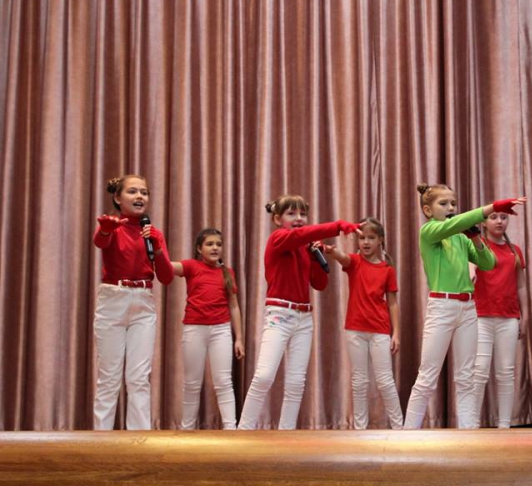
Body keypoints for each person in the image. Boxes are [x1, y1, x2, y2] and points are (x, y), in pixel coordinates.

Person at [403, 183, 526, 429]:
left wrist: (476, 238)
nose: (450, 208)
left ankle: (468, 433)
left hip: (468, 309)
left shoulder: (460, 236)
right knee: (427, 376)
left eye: (453, 203)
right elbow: (454, 224)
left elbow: (488, 262)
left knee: (466, 378)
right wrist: (491, 207)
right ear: (427, 210)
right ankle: (408, 433)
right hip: (442, 306)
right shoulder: (429, 231)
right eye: (443, 204)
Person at [237, 195, 361, 430]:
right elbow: (299, 235)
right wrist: (337, 226)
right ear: (277, 219)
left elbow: (320, 284)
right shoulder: (278, 238)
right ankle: (243, 430)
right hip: (279, 315)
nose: (299, 218)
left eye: (303, 214)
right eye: (291, 214)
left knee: (296, 382)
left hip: (304, 318)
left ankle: (286, 432)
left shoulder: (306, 247)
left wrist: (315, 257)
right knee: (264, 376)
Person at [93, 174, 174, 430]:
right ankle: (101, 440)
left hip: (143, 302)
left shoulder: (153, 233)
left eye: (144, 192)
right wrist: (105, 229)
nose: (140, 196)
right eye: (133, 191)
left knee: (139, 378)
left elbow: (166, 277)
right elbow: (100, 241)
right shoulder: (112, 226)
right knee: (109, 377)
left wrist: (157, 247)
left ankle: (139, 440)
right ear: (118, 198)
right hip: (113, 299)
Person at [324, 217, 404, 429]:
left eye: (371, 238)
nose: (366, 242)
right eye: (362, 238)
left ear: (380, 240)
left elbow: (393, 304)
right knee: (359, 381)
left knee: (385, 381)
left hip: (380, 331)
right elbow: (342, 258)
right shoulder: (355, 262)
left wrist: (396, 333)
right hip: (355, 330)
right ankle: (359, 429)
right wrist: (332, 251)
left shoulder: (387, 270)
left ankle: (400, 427)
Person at [172, 228, 244, 429]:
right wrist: (153, 249)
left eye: (218, 244)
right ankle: (187, 428)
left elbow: (234, 306)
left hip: (221, 331)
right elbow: (166, 266)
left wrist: (239, 338)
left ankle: (230, 428)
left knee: (223, 382)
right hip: (194, 330)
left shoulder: (227, 273)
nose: (215, 248)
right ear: (199, 248)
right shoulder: (191, 266)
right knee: (192, 383)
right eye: (209, 244)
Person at [472, 210, 529, 428]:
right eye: (494, 217)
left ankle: (504, 425)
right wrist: (471, 270)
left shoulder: (515, 251)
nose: (499, 221)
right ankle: (471, 423)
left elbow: (521, 285)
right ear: (484, 222)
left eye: (503, 218)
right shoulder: (477, 246)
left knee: (506, 372)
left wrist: (525, 315)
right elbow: (471, 267)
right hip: (481, 317)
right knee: (479, 371)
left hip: (508, 317)